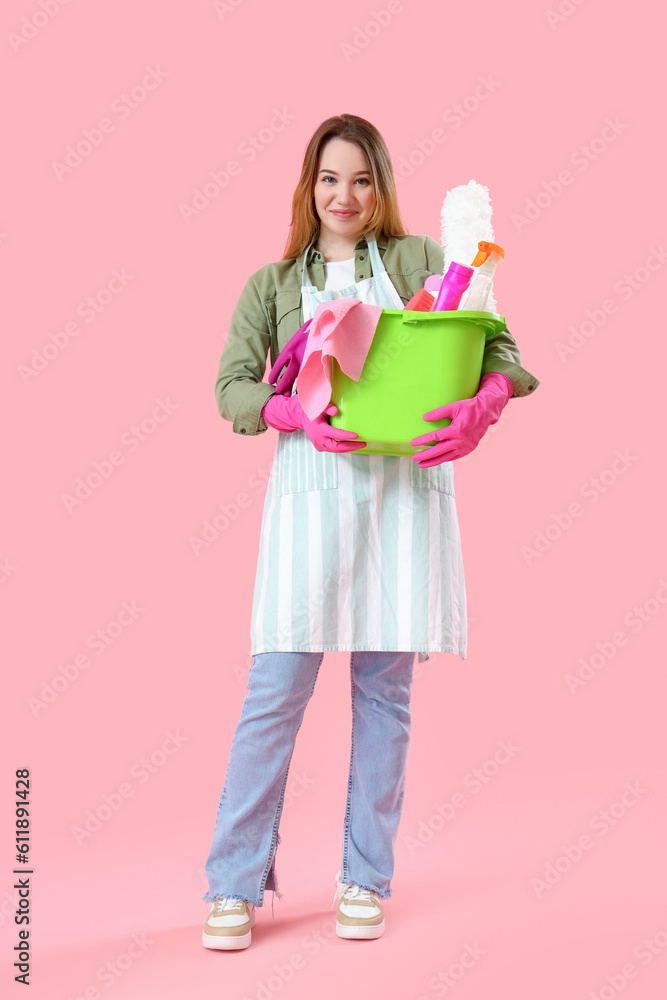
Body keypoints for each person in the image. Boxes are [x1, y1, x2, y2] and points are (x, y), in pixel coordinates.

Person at [202, 114, 539, 950]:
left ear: (380, 187)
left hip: (401, 503)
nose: (343, 196)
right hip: (310, 500)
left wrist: (484, 408)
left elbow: (498, 345)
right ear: (306, 187)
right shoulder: (273, 284)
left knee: (384, 698)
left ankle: (364, 876)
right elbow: (230, 387)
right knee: (273, 693)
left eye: (360, 179)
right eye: (328, 178)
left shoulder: (426, 263)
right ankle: (233, 884)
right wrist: (287, 410)